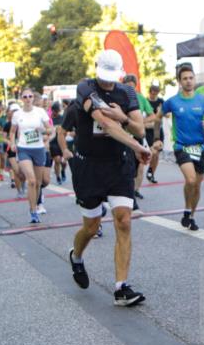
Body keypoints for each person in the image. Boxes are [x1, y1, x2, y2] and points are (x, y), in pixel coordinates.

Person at [65, 50, 151, 306]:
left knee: (123, 220)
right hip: (88, 167)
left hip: (118, 166)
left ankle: (121, 288)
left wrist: (123, 116)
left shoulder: (127, 93)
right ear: (96, 67)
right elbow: (106, 124)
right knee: (91, 227)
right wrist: (138, 147)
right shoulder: (85, 89)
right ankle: (77, 256)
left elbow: (138, 127)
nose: (107, 81)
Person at [158, 64, 204, 231]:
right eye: (185, 78)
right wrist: (157, 138)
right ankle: (187, 210)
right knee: (190, 179)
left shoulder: (202, 100)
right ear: (179, 81)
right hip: (181, 146)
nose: (189, 81)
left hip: (200, 147)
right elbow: (157, 118)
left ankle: (190, 214)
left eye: (191, 78)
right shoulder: (172, 102)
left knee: (195, 185)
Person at [8, 89, 52, 223]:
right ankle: (33, 211)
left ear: (33, 98)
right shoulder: (17, 114)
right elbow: (12, 131)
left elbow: (50, 129)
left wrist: (43, 130)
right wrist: (12, 143)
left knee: (38, 183)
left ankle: (36, 206)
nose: (28, 98)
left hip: (38, 148)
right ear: (21, 99)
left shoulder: (40, 112)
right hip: (23, 149)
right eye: (25, 96)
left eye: (30, 96)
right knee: (31, 180)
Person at [122, 73, 151, 206]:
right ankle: (128, 192)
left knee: (140, 165)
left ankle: (136, 190)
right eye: (127, 87)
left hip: (138, 136)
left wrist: (141, 123)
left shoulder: (141, 98)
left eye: (132, 88)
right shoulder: (118, 98)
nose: (130, 91)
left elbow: (153, 115)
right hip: (124, 136)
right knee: (128, 166)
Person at [144, 81, 165, 183]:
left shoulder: (161, 101)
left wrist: (161, 111)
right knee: (152, 152)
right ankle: (147, 170)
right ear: (150, 91)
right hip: (147, 130)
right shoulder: (145, 101)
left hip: (157, 130)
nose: (155, 93)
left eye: (157, 91)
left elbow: (167, 115)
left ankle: (151, 172)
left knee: (156, 154)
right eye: (153, 91)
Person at [49, 101, 66, 185]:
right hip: (53, 142)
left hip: (62, 141)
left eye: (58, 111)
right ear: (52, 110)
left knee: (64, 162)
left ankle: (63, 171)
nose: (57, 113)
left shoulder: (62, 118)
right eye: (55, 111)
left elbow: (67, 128)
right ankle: (58, 176)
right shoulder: (49, 119)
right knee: (57, 160)